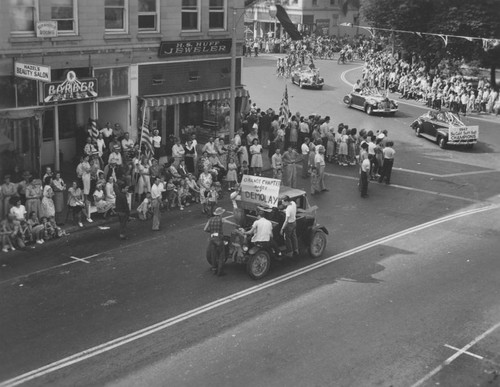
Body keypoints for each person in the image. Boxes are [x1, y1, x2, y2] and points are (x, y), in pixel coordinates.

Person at [203, 206, 226, 276]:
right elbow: (227, 222)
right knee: (221, 254)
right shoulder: (221, 220)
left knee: (213, 254)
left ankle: (214, 269)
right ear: (220, 214)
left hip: (212, 239)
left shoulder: (210, 220)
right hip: (219, 239)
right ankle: (220, 271)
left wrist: (212, 231)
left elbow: (205, 229)